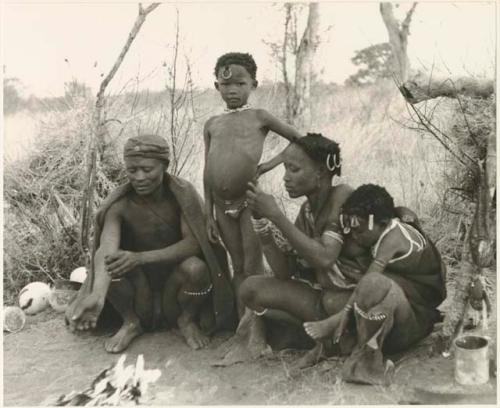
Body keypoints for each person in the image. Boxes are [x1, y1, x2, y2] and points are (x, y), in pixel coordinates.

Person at [241, 136, 446, 384]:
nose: (286, 177)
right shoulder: (306, 214)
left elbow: (326, 258)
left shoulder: (343, 198)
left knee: (368, 288)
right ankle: (337, 341)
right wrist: (262, 223)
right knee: (251, 289)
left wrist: (277, 216)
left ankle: (353, 348)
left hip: (382, 307)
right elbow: (285, 272)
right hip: (333, 304)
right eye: (285, 168)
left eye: (294, 169)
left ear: (320, 172)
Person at [65, 134, 234, 353]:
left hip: (176, 293)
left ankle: (186, 320)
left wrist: (140, 258)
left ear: (165, 166)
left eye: (147, 169)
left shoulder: (181, 196)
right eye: (132, 170)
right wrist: (97, 295)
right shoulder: (120, 206)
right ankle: (131, 322)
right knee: (112, 262)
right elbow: (106, 248)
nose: (140, 177)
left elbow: (195, 244)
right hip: (139, 293)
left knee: (196, 268)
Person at [203, 52, 301, 314]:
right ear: (217, 87)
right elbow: (207, 170)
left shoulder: (260, 117)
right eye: (226, 85)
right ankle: (241, 326)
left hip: (249, 202)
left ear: (253, 85)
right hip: (221, 207)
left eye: (240, 84)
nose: (232, 90)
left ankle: (257, 328)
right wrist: (209, 213)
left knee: (253, 265)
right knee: (238, 265)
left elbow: (299, 139)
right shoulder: (212, 124)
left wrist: (272, 163)